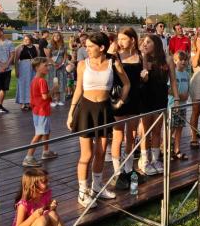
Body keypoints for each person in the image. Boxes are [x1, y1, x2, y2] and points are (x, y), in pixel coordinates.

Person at [68, 32, 130, 206]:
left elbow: (127, 83)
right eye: (86, 46)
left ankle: (97, 186)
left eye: (90, 46)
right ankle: (82, 192)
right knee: (86, 154)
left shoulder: (113, 63)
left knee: (101, 152)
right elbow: (78, 89)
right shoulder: (82, 64)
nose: (86, 49)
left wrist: (120, 101)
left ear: (101, 47)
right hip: (85, 111)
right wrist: (71, 112)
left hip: (104, 110)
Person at [109, 27, 143, 188]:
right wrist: (111, 51)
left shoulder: (139, 56)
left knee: (132, 134)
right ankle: (117, 172)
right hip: (120, 98)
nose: (120, 41)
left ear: (132, 39)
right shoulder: (115, 56)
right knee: (118, 134)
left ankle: (129, 168)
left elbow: (143, 78)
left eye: (124, 38)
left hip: (135, 98)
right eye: (119, 38)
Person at [138, 34, 169, 176]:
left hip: (160, 97)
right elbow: (144, 78)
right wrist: (144, 57)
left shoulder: (164, 60)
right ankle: (144, 160)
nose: (145, 44)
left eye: (148, 42)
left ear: (156, 44)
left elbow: (170, 79)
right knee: (146, 131)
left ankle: (156, 159)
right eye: (144, 42)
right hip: (146, 98)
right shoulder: (141, 59)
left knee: (157, 130)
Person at [23, 58, 57, 167]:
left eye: (48, 65)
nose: (48, 68)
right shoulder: (42, 81)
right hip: (42, 110)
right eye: (45, 66)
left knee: (46, 131)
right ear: (37, 68)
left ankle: (46, 151)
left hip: (37, 110)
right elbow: (45, 96)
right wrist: (54, 89)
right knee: (39, 133)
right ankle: (28, 157)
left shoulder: (34, 80)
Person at [170, 50, 190, 161]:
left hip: (183, 105)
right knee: (171, 128)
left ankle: (177, 149)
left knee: (179, 128)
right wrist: (178, 95)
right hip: (173, 105)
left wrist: (186, 96)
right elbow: (168, 89)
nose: (183, 62)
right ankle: (166, 149)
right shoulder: (172, 73)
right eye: (180, 60)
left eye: (185, 60)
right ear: (175, 61)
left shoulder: (187, 74)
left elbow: (188, 88)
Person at [14, 34, 39, 111]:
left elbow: (38, 58)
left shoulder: (35, 47)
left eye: (27, 39)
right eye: (24, 39)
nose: (25, 41)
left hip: (33, 68)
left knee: (32, 85)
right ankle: (23, 103)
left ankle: (30, 102)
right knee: (23, 85)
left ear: (31, 40)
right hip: (23, 68)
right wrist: (16, 70)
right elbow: (16, 60)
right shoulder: (20, 47)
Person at [48, 32, 67, 106]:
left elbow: (65, 55)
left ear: (60, 37)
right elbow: (48, 56)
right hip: (53, 66)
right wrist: (54, 64)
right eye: (55, 36)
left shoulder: (64, 45)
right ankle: (53, 100)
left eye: (58, 35)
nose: (56, 37)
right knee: (53, 82)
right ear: (53, 37)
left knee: (61, 82)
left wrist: (63, 63)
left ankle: (59, 99)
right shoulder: (50, 45)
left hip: (61, 66)